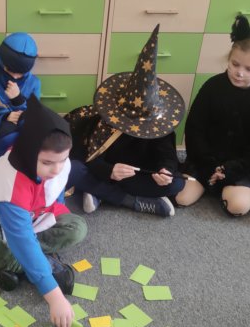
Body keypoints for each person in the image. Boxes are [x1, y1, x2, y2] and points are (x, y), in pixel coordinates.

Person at [0, 97, 87, 327]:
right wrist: (54, 296)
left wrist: (49, 219)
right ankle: (42, 263)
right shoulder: (10, 182)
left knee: (78, 228)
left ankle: (12, 265)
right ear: (29, 153)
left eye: (63, 160)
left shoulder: (58, 165)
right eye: (47, 162)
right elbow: (21, 238)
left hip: (37, 218)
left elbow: (56, 196)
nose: (56, 169)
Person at [66, 25, 186, 217]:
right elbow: (89, 158)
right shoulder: (107, 122)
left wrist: (166, 171)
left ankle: (98, 192)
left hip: (136, 174)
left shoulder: (159, 125)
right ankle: (128, 200)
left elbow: (168, 156)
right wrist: (109, 171)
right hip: (106, 170)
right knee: (74, 169)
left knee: (177, 183)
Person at [178, 15, 250, 216]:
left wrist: (231, 169)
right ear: (229, 59)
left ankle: (223, 187)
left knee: (238, 206)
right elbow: (194, 128)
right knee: (181, 197)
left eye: (249, 69)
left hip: (239, 165)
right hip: (203, 159)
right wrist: (209, 164)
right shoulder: (213, 85)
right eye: (235, 64)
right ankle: (210, 183)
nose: (239, 73)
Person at [0, 32, 41, 162]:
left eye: (21, 73)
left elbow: (35, 117)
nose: (15, 77)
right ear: (0, 62)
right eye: (9, 70)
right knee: (1, 136)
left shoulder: (34, 83)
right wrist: (3, 119)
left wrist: (18, 100)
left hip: (21, 135)